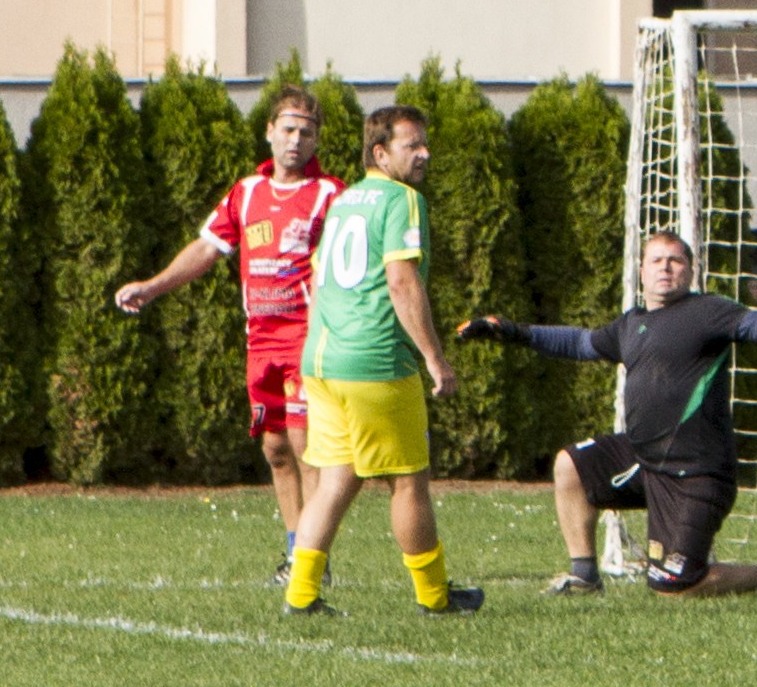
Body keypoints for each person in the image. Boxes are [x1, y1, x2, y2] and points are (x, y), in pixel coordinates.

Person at [455, 231, 757, 598]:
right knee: (570, 464)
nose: (666, 267)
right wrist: (513, 332)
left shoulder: (709, 311)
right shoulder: (631, 324)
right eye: (656, 260)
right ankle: (584, 576)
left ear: (690, 270)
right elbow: (580, 343)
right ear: (641, 270)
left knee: (673, 587)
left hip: (697, 475)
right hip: (645, 463)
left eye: (675, 260)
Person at [116, 87, 343, 582]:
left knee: (307, 447)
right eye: (287, 129)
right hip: (260, 340)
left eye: (307, 132)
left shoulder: (330, 194)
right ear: (268, 131)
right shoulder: (247, 192)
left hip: (308, 338)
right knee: (276, 449)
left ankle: (312, 562)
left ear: (317, 139)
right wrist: (152, 287)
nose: (296, 140)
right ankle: (293, 550)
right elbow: (206, 249)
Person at [283, 105, 482, 617]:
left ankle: (301, 594)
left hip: (324, 361)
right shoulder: (402, 200)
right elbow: (401, 281)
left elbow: (320, 280)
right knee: (408, 481)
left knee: (336, 479)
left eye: (423, 143)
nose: (424, 154)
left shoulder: (346, 201)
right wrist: (434, 359)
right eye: (411, 145)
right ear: (380, 152)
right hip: (374, 363)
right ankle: (436, 598)